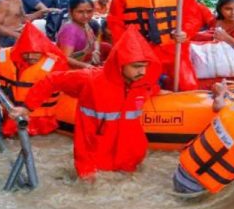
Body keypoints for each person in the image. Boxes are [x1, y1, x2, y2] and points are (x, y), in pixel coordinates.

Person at [9, 28, 161, 179]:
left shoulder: (143, 84)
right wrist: (27, 107)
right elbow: (52, 80)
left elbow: (150, 90)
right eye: (136, 66)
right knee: (90, 188)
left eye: (145, 66)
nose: (142, 71)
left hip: (129, 156)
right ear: (120, 63)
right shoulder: (90, 79)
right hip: (92, 156)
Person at [107, 0, 202, 91]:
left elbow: (193, 16)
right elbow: (115, 22)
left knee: (188, 86)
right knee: (141, 88)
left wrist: (185, 32)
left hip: (174, 50)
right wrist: (127, 49)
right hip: (142, 54)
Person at [0, 22, 69, 136]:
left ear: (43, 49)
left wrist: (27, 108)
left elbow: (46, 89)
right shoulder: (4, 54)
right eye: (26, 53)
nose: (30, 57)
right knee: (10, 137)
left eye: (35, 53)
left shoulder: (56, 63)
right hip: (12, 113)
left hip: (42, 118)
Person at [56, 0, 113, 68]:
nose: (85, 16)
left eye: (89, 11)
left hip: (85, 62)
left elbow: (95, 40)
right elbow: (65, 58)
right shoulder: (70, 30)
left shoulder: (84, 24)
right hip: (71, 70)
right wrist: (88, 66)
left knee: (107, 47)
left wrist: (96, 50)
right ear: (70, 11)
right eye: (80, 12)